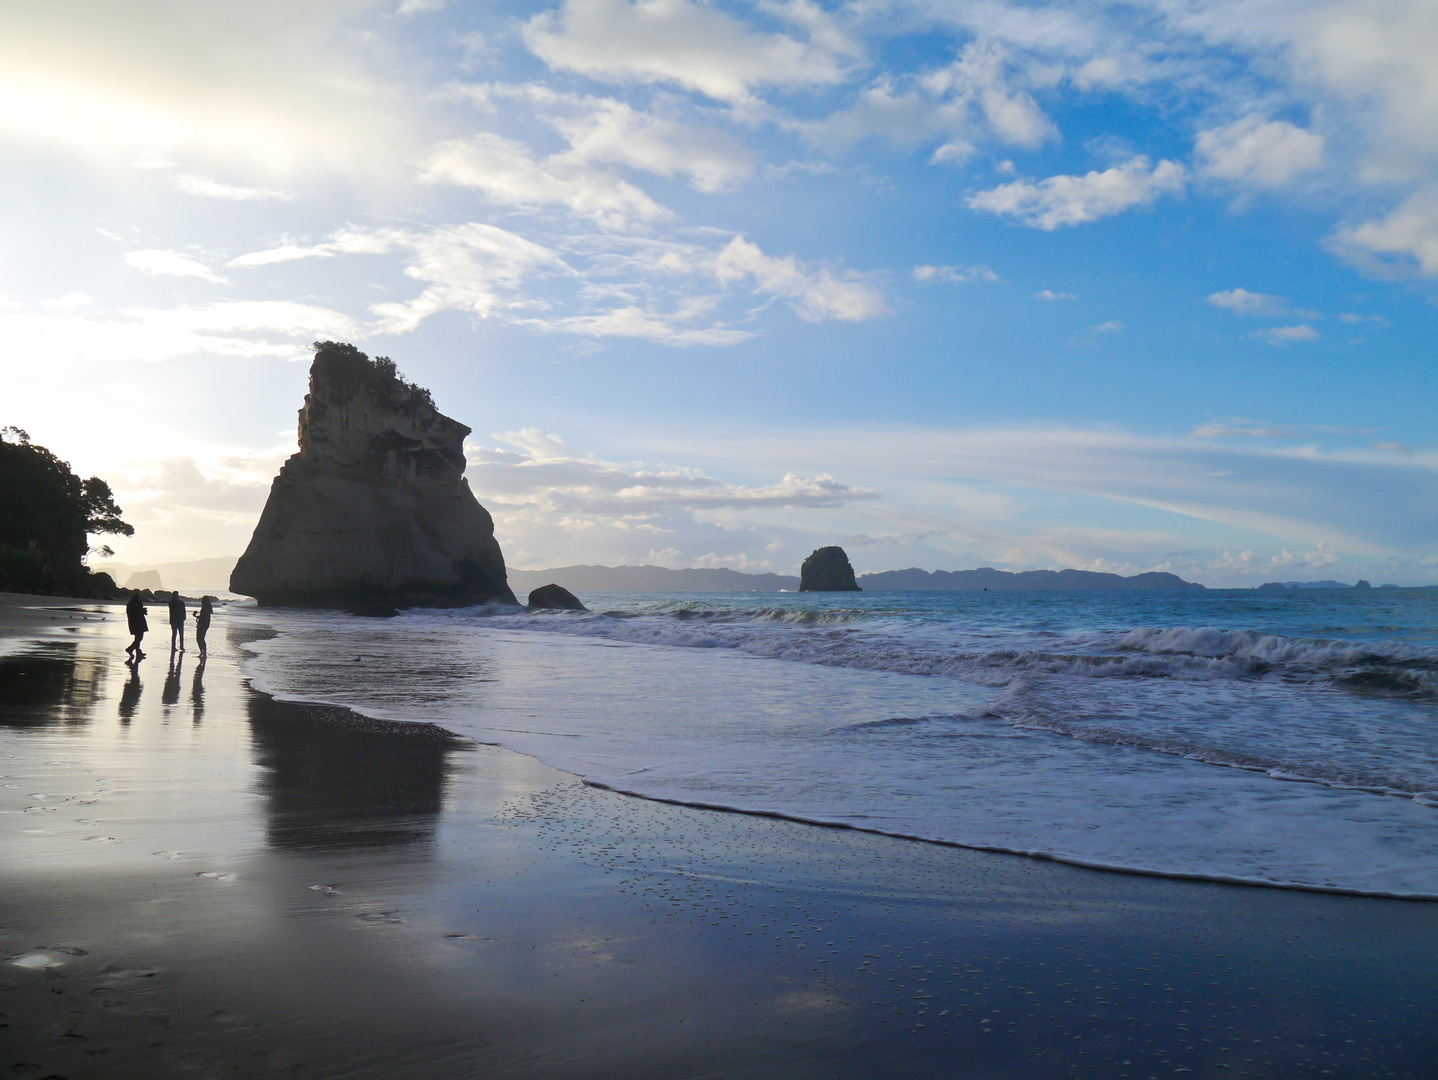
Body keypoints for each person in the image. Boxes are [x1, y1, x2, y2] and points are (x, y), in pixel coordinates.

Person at [124, 592, 148, 660]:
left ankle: (138, 652)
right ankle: (130, 649)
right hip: (139, 623)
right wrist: (144, 611)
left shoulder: (130, 604)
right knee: (139, 638)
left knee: (137, 638)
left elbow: (131, 613)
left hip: (132, 623)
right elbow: (139, 612)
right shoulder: (138, 603)